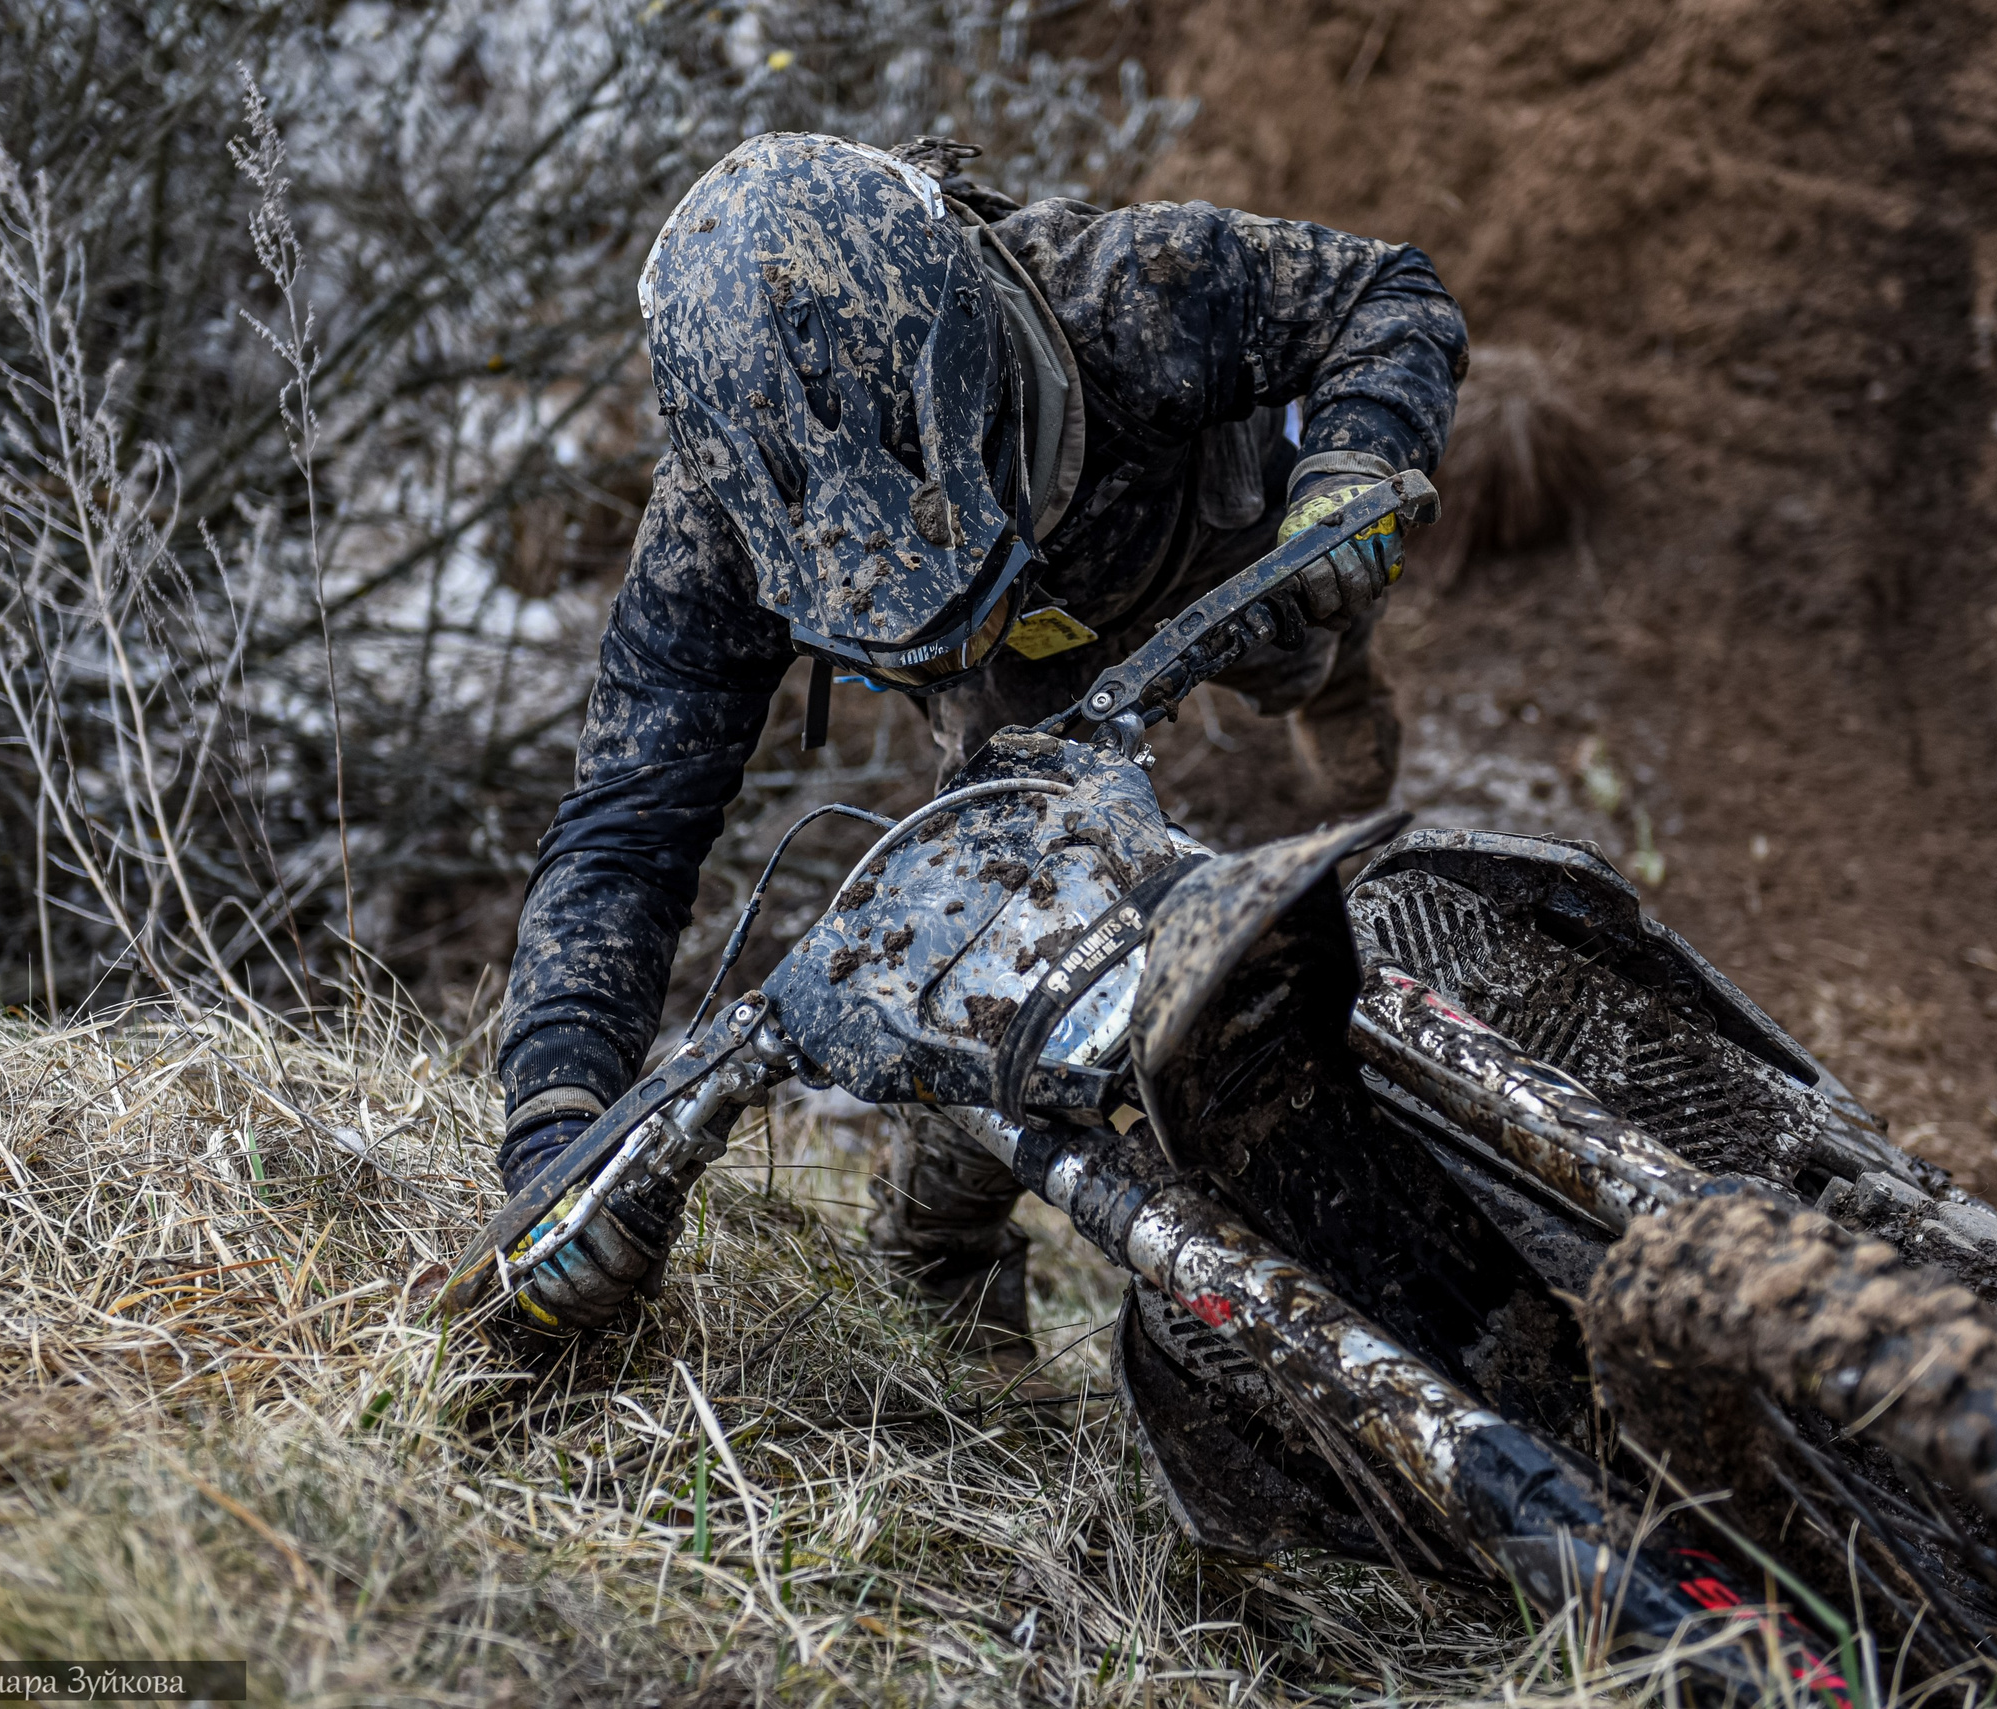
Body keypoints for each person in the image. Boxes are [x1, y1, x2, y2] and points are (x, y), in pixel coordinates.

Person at [497, 132, 1467, 1340]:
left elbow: (1386, 292)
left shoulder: (1128, 292)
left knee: (1312, 636)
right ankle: (942, 1266)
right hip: (1011, 684)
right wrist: (556, 1127)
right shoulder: (713, 535)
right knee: (989, 961)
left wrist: (1354, 464)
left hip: (1215, 547)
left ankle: (1332, 684)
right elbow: (622, 832)